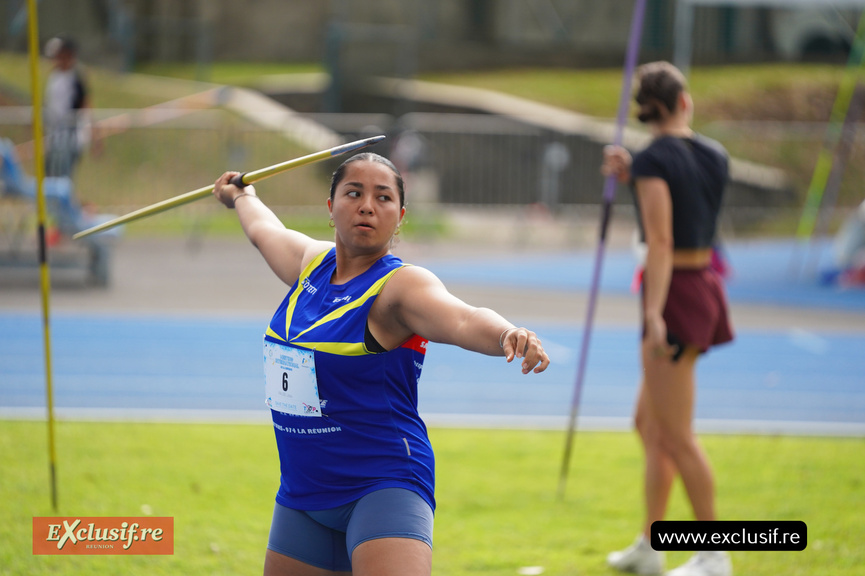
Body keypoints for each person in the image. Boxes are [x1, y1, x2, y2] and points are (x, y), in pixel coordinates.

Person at [212, 151, 550, 576]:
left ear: (400, 216)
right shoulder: (310, 264)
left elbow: (463, 318)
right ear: (331, 206)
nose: (367, 206)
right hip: (302, 493)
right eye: (354, 193)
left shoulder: (400, 287)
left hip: (382, 487)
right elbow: (266, 231)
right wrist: (241, 195)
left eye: (383, 197)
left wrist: (506, 334)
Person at [601, 61, 734, 576]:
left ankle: (714, 554)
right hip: (701, 283)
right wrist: (634, 174)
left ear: (645, 110)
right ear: (684, 101)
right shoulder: (713, 154)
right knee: (649, 425)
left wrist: (654, 313)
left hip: (673, 293)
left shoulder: (653, 159)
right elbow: (686, 197)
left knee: (676, 435)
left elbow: (660, 239)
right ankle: (651, 546)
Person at [43, 35, 98, 178]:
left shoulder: (76, 77)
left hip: (71, 135)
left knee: (63, 176)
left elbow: (86, 104)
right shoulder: (54, 76)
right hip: (54, 134)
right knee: (50, 174)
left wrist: (96, 137)